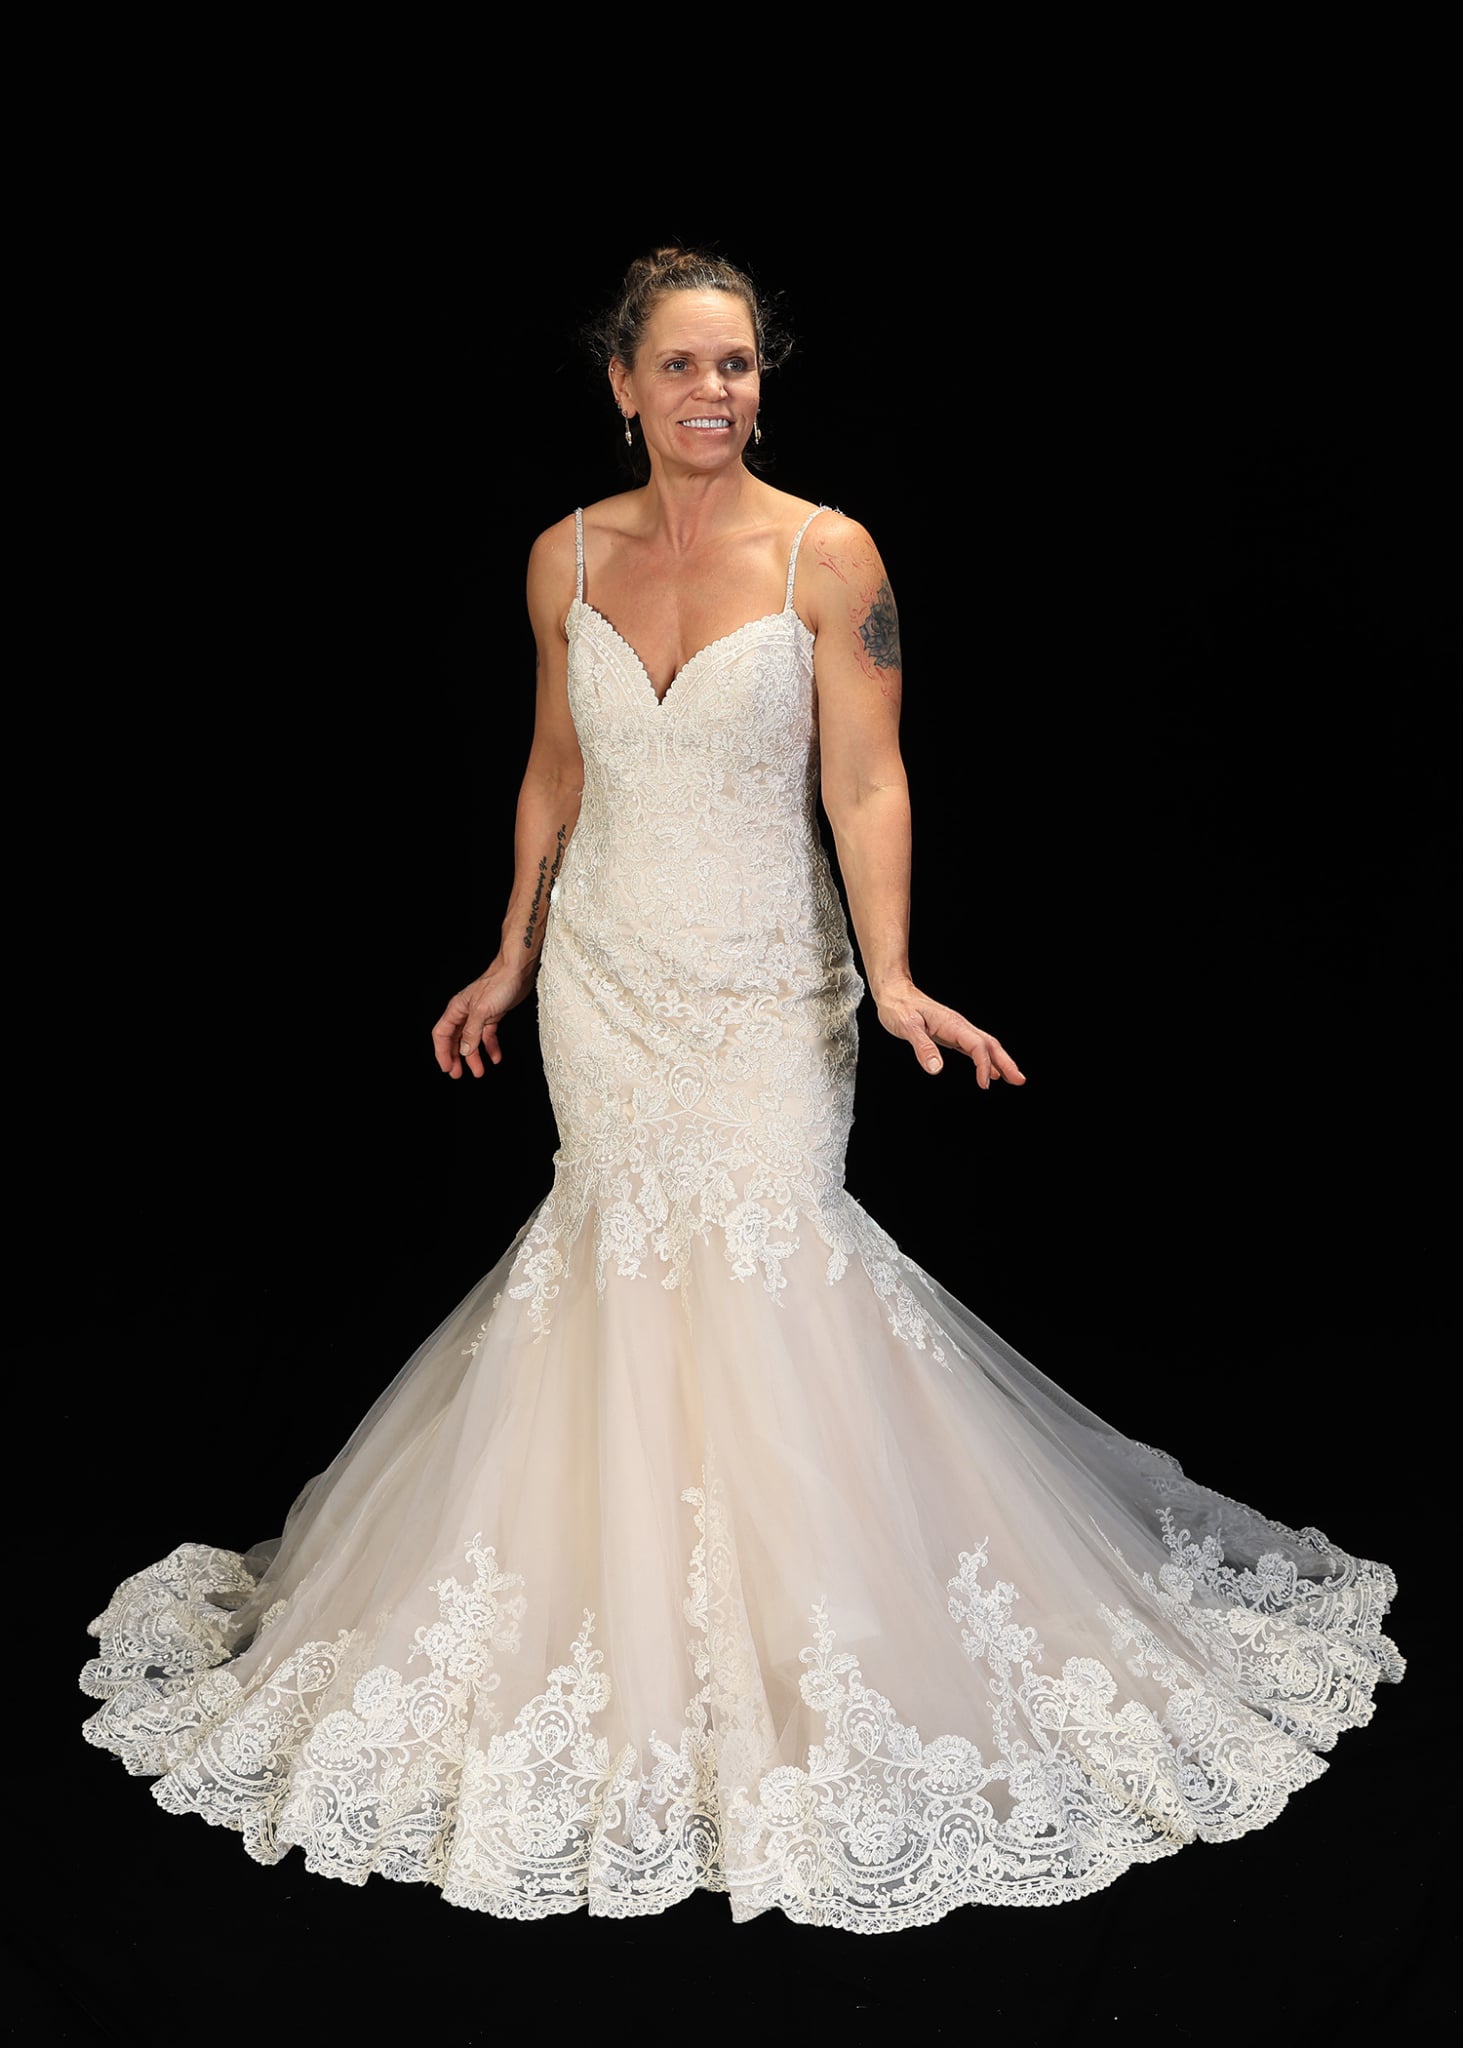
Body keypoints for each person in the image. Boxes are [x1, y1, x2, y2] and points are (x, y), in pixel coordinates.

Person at [82, 246, 1403, 1932]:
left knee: (774, 1269)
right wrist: (510, 954)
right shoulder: (564, 555)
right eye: (684, 365)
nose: (716, 391)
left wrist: (896, 975)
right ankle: (630, 1639)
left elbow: (868, 781)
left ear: (761, 386)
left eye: (740, 364)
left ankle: (814, 1645)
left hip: (769, 985)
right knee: (615, 1271)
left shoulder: (827, 554)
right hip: (606, 983)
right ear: (621, 383)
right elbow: (555, 768)